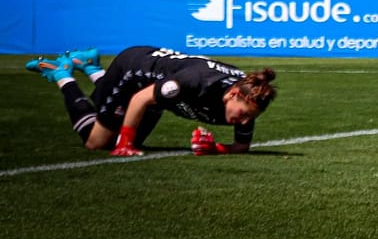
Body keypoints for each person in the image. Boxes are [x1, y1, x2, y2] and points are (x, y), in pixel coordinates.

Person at [26, 45, 277, 156]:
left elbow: (241, 147)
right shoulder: (195, 82)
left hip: (160, 93)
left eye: (249, 117)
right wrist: (124, 145)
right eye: (243, 114)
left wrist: (215, 148)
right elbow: (140, 98)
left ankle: (90, 66)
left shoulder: (249, 97)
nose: (243, 121)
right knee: (97, 142)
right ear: (233, 94)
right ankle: (61, 74)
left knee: (120, 129)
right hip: (134, 73)